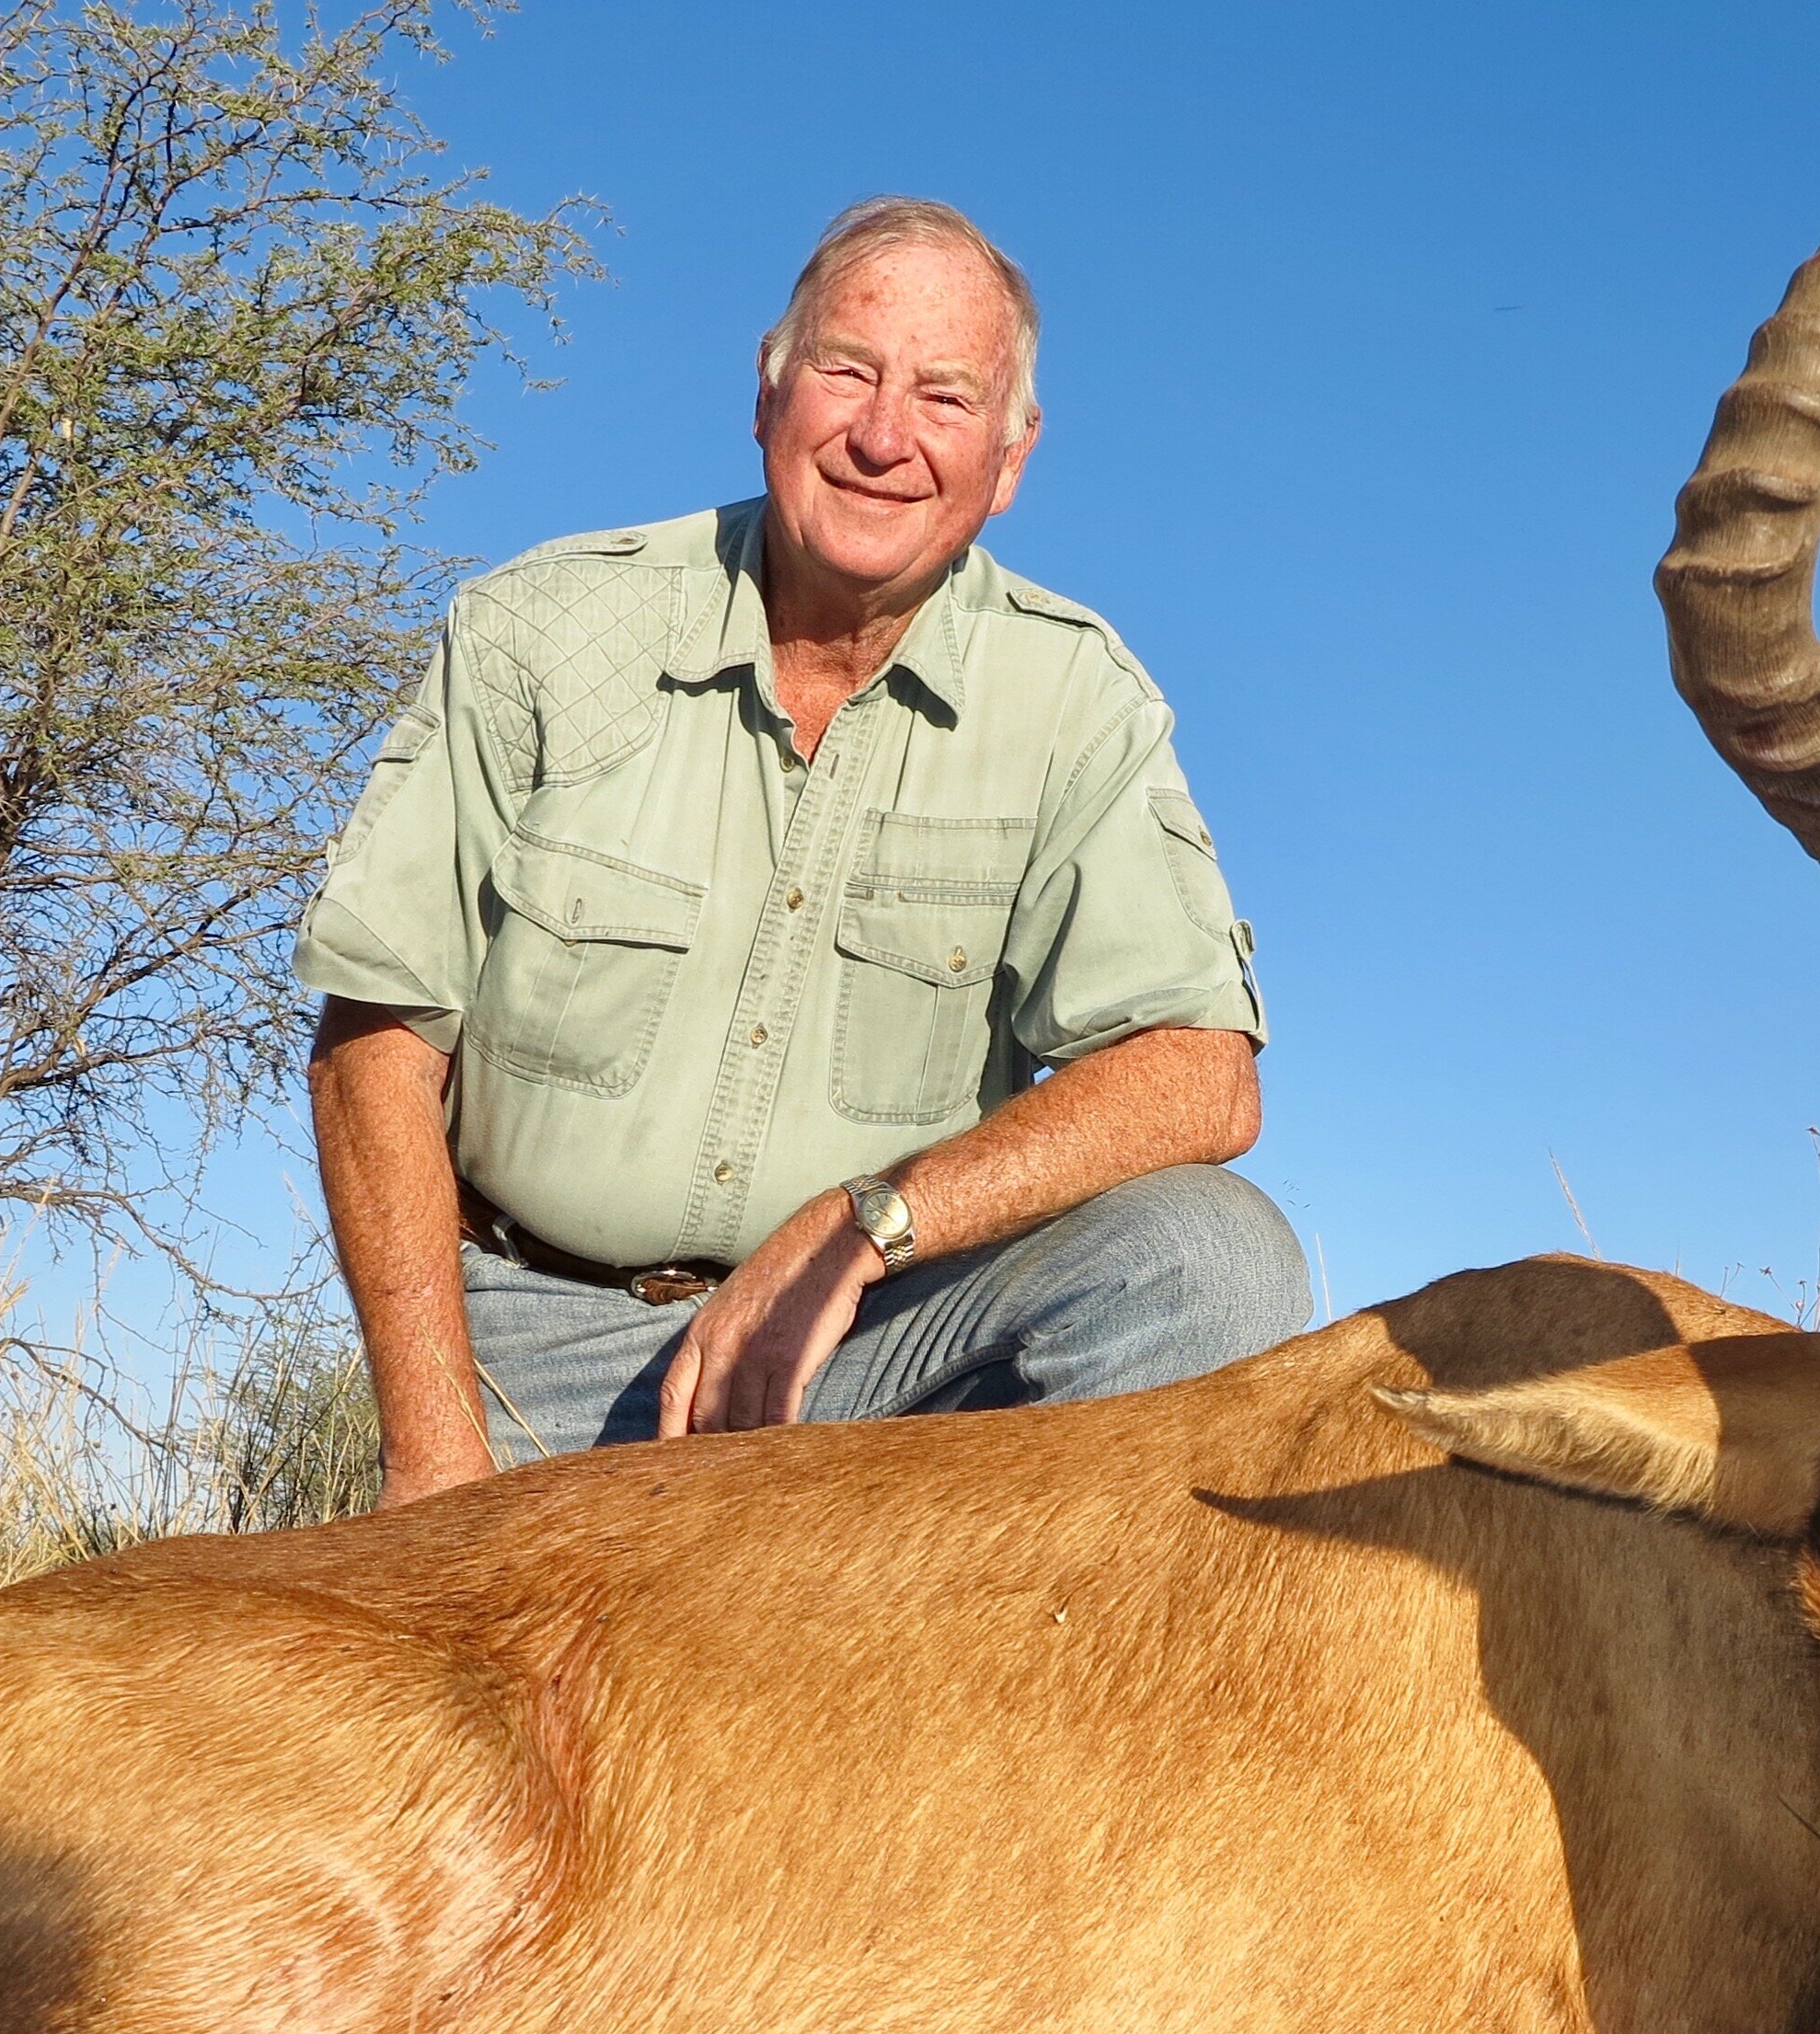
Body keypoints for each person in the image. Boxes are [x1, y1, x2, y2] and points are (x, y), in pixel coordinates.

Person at [296, 198, 1308, 1506]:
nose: (885, 437)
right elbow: (374, 1035)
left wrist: (863, 1226)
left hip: (865, 1351)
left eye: (945, 397)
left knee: (1214, 1261)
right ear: (768, 396)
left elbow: (1200, 1076)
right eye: (847, 371)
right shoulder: (536, 632)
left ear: (1010, 459)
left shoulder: (1079, 704)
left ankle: (1009, 1694)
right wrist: (432, 1455)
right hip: (532, 1356)